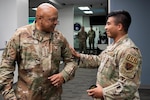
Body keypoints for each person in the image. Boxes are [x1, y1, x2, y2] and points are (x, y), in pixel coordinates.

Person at [0, 3, 77, 100]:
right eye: (52, 19)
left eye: (56, 19)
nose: (55, 23)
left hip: (53, 96)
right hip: (26, 96)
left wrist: (64, 75)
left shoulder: (59, 37)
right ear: (39, 18)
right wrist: (9, 96)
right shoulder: (20, 35)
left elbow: (71, 61)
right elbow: (6, 68)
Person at [70, 10, 142, 100]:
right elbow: (99, 60)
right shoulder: (113, 46)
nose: (105, 27)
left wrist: (103, 93)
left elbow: (128, 86)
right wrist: (78, 56)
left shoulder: (128, 50)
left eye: (108, 24)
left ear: (119, 26)